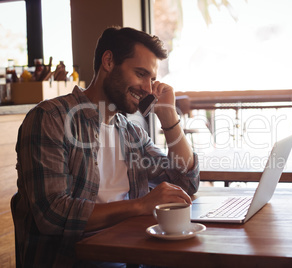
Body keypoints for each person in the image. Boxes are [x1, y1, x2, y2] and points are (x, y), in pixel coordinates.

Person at [13, 26, 200, 267]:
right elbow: (52, 215)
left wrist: (168, 118)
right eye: (141, 74)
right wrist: (140, 205)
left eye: (152, 79)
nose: (148, 88)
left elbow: (186, 181)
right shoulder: (50, 118)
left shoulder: (132, 132)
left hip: (132, 253)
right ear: (109, 61)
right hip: (74, 259)